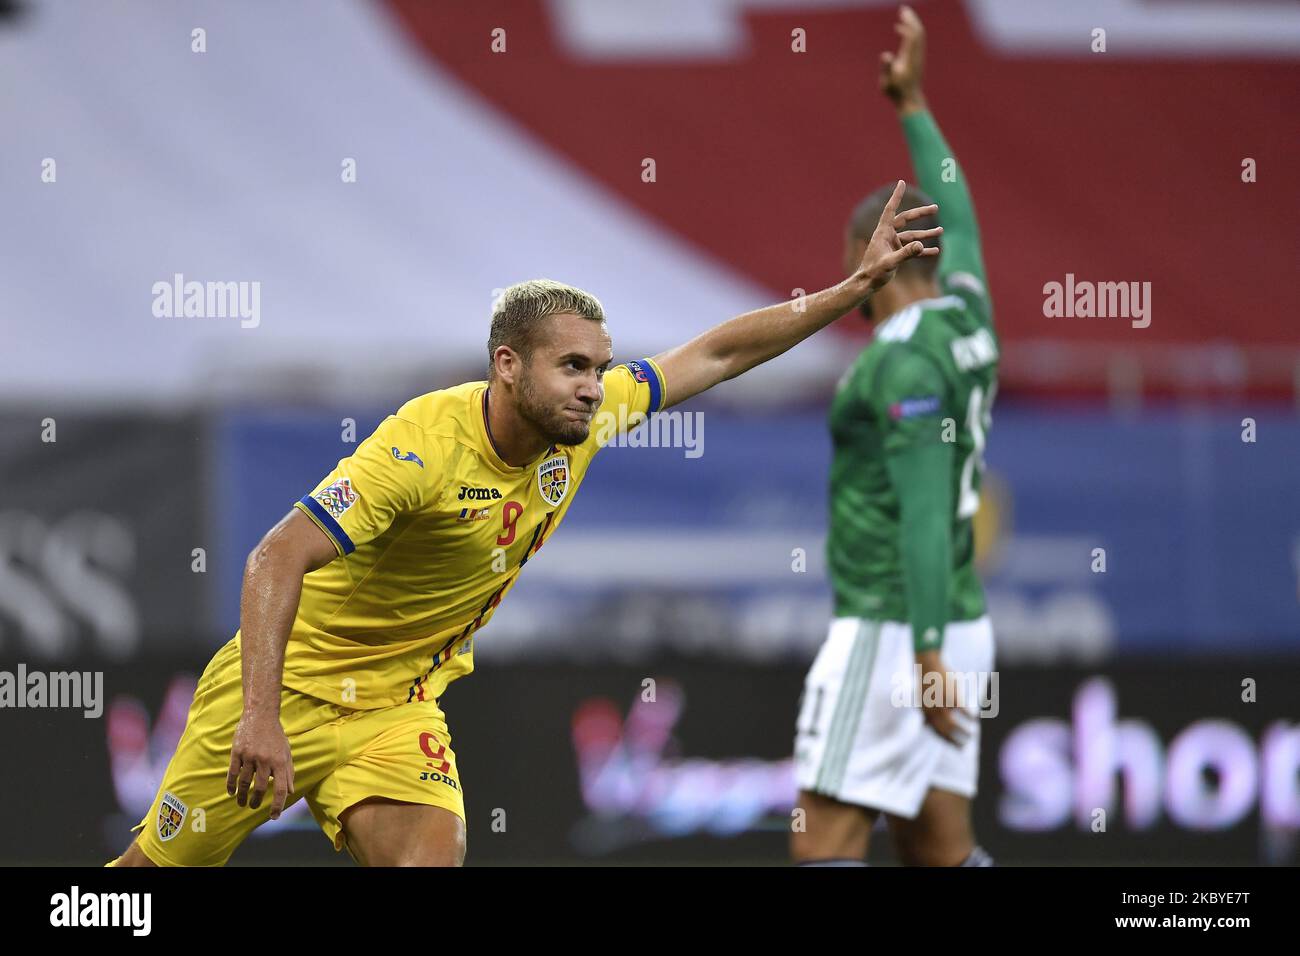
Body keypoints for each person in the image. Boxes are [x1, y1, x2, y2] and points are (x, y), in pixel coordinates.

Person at [109, 182, 940, 866]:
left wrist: (853, 290)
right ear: (508, 366)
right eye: (572, 366)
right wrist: (259, 717)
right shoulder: (422, 448)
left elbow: (715, 355)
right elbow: (273, 557)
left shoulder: (585, 422)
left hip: (395, 709)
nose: (592, 385)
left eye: (600, 368)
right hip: (285, 692)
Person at [791, 5, 998, 867]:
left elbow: (919, 508)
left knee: (822, 846)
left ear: (863, 253)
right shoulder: (969, 321)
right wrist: (912, 103)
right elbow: (965, 219)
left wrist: (919, 652)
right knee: (938, 849)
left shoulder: (901, 365)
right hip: (961, 623)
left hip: (893, 627)